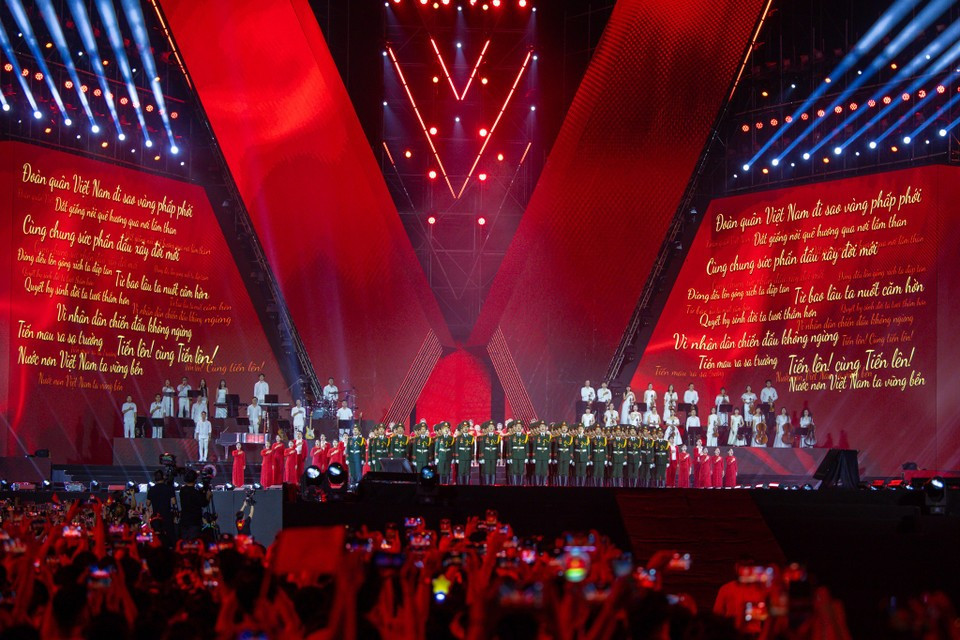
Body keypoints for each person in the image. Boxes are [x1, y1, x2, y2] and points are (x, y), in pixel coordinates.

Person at [145, 469, 177, 545]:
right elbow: (174, 502)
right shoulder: (169, 488)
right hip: (167, 517)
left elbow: (148, 503)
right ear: (163, 477)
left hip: (156, 518)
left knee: (157, 537)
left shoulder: (152, 489)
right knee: (169, 537)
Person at [178, 469, 211, 540]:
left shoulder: (182, 490)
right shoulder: (195, 493)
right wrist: (208, 496)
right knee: (194, 542)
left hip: (184, 521)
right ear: (195, 480)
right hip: (194, 522)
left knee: (184, 542)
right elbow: (204, 503)